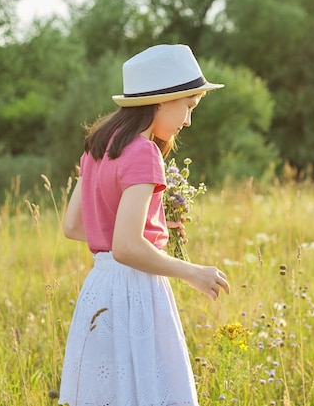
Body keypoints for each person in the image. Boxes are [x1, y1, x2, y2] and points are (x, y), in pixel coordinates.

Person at [58, 44, 230, 406]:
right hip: (134, 291)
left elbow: (74, 226)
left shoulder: (97, 147)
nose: (188, 121)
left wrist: (151, 225)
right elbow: (126, 247)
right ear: (163, 100)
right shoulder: (144, 152)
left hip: (99, 290)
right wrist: (191, 272)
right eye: (189, 106)